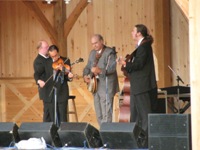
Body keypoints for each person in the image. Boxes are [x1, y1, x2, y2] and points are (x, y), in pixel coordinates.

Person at [117, 24, 157, 134]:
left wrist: (125, 63)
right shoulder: (142, 46)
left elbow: (139, 64)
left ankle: (145, 141)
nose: (131, 33)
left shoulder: (144, 47)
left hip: (142, 86)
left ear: (139, 33)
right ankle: (136, 139)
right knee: (134, 114)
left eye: (133, 31)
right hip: (137, 85)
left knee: (144, 115)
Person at [83, 34, 119, 126]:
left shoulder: (110, 52)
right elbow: (87, 67)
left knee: (106, 113)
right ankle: (102, 132)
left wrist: (99, 70)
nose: (94, 45)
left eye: (96, 43)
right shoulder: (92, 53)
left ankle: (106, 134)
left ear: (102, 41)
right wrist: (85, 75)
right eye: (92, 44)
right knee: (98, 112)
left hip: (106, 85)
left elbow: (112, 68)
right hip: (95, 86)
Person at [45, 45, 74, 126]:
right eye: (52, 56)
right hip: (51, 92)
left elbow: (68, 77)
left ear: (58, 52)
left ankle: (63, 135)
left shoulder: (65, 60)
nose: (54, 58)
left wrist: (67, 74)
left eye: (55, 55)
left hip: (62, 91)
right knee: (53, 116)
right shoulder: (47, 62)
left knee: (62, 116)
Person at [33, 40, 51, 122]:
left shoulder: (49, 58)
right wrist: (39, 81)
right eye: (46, 47)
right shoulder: (38, 61)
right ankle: (46, 132)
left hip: (52, 89)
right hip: (46, 90)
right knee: (47, 113)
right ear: (40, 49)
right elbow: (37, 74)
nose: (48, 48)